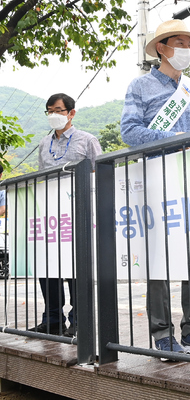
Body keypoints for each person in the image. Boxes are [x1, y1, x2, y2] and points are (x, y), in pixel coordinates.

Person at [120, 19, 190, 358]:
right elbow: (130, 132)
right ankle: (162, 334)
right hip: (156, 180)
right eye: (179, 43)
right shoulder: (140, 87)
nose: (186, 50)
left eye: (189, 44)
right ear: (161, 48)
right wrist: (173, 139)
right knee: (160, 260)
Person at [32, 93, 102, 337]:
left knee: (76, 268)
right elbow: (41, 177)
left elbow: (99, 173)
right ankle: (52, 318)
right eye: (49, 110)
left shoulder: (87, 140)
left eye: (59, 110)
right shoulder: (43, 143)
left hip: (77, 215)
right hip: (50, 216)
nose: (54, 115)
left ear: (71, 113)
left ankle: (79, 321)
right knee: (47, 266)